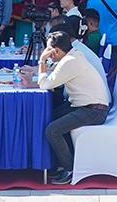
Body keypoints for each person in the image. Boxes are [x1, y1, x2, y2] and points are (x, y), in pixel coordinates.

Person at [31, 31, 111, 184]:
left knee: (52, 129)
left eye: (49, 51)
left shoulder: (70, 61)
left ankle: (69, 169)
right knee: (50, 117)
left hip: (93, 110)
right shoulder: (73, 55)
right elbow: (52, 78)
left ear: (56, 51)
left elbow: (46, 85)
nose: (48, 55)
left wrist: (41, 61)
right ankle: (61, 162)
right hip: (86, 105)